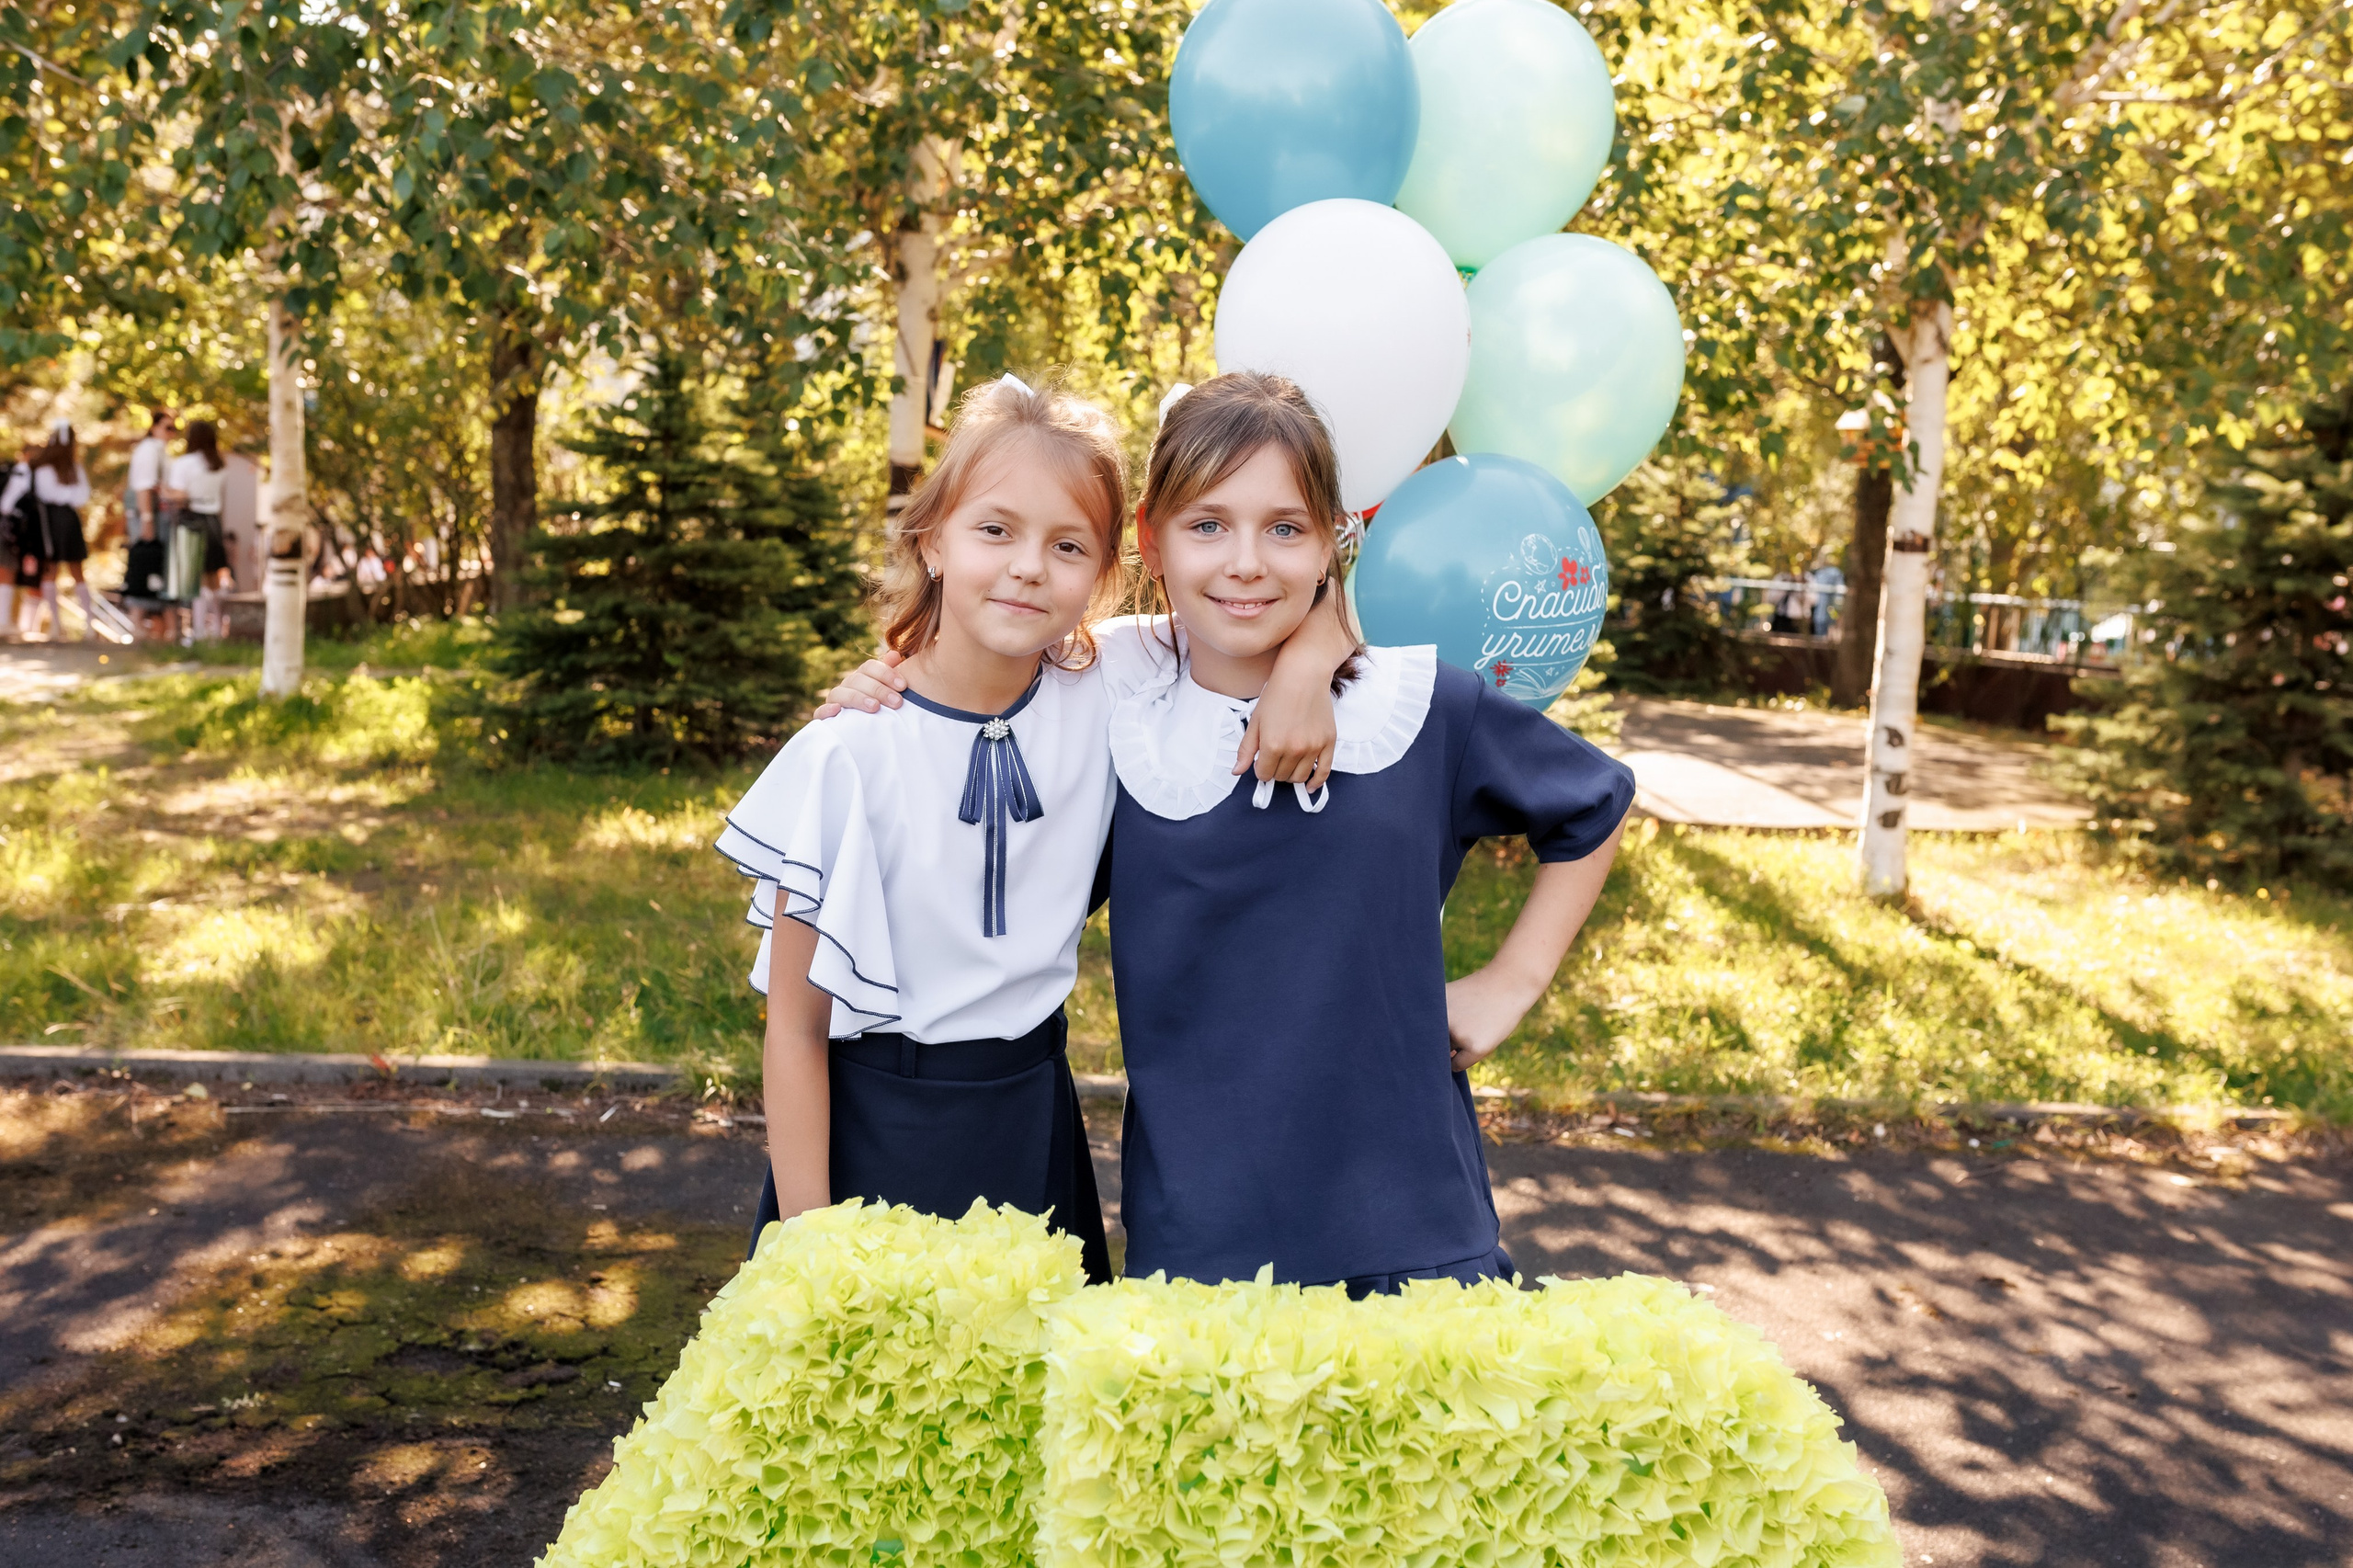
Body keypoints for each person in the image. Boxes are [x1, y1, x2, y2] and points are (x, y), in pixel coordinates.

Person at [716, 374, 1349, 1281]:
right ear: (933, 540)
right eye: (994, 530)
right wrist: (807, 1248)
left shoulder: (1110, 680)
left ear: (1101, 573)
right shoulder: (846, 755)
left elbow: (1265, 601)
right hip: (870, 1133)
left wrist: (1308, 665)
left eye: (1066, 545)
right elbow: (795, 1031)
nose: (1026, 566)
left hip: (1030, 1126)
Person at [1095, 373, 1633, 1294]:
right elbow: (965, 663)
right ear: (1150, 534)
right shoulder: (1104, 694)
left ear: (1332, 539)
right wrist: (872, 681)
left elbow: (1593, 803)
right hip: (1200, 1235)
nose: (1246, 561)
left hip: (1412, 1219)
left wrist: (1514, 978)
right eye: (1207, 524)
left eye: (1285, 527)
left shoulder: (1419, 704)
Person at [163, 419, 232, 642]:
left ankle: (200, 631)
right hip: (213, 520)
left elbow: (180, 495)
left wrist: (164, 492)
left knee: (197, 578)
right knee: (213, 578)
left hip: (192, 520)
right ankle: (218, 629)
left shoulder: (185, 463)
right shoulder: (219, 465)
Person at [25, 425, 95, 640]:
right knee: (50, 570)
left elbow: (83, 495)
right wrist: (68, 494)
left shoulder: (75, 468)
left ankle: (89, 625)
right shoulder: (44, 469)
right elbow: (50, 493)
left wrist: (65, 495)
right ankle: (56, 625)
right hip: (49, 521)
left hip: (69, 521)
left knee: (76, 571)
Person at [123, 410, 176, 637]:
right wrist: (147, 520)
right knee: (144, 566)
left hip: (157, 515)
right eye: (168, 427)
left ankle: (158, 625)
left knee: (154, 568)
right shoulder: (148, 450)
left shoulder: (161, 451)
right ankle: (137, 623)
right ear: (154, 427)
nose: (171, 433)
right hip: (149, 516)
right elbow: (144, 487)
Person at [0, 441, 38, 639]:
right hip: (9, 527)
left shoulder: (20, 471)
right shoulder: (23, 472)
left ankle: (9, 621)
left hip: (10, 527)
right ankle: (3, 621)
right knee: (6, 570)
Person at [1809, 554, 1845, 638]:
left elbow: (1839, 592)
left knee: (1827, 628)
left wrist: (1838, 607)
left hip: (1828, 608)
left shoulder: (1835, 573)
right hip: (1819, 608)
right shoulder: (1818, 572)